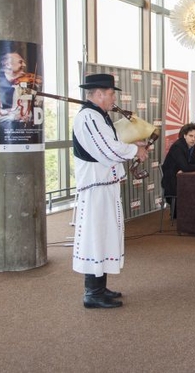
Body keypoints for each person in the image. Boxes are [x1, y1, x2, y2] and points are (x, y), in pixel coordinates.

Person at [72, 73, 148, 309]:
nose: (114, 98)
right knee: (96, 236)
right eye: (111, 93)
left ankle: (99, 287)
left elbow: (110, 144)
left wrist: (132, 145)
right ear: (98, 94)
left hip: (104, 185)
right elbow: (106, 149)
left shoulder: (98, 116)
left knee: (104, 235)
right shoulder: (88, 116)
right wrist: (135, 151)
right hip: (95, 187)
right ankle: (92, 293)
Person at [161, 123, 195, 217]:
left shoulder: (192, 147)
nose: (193, 139)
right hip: (172, 181)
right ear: (185, 135)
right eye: (191, 136)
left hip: (184, 179)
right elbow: (186, 167)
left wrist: (187, 168)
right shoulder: (178, 146)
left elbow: (192, 164)